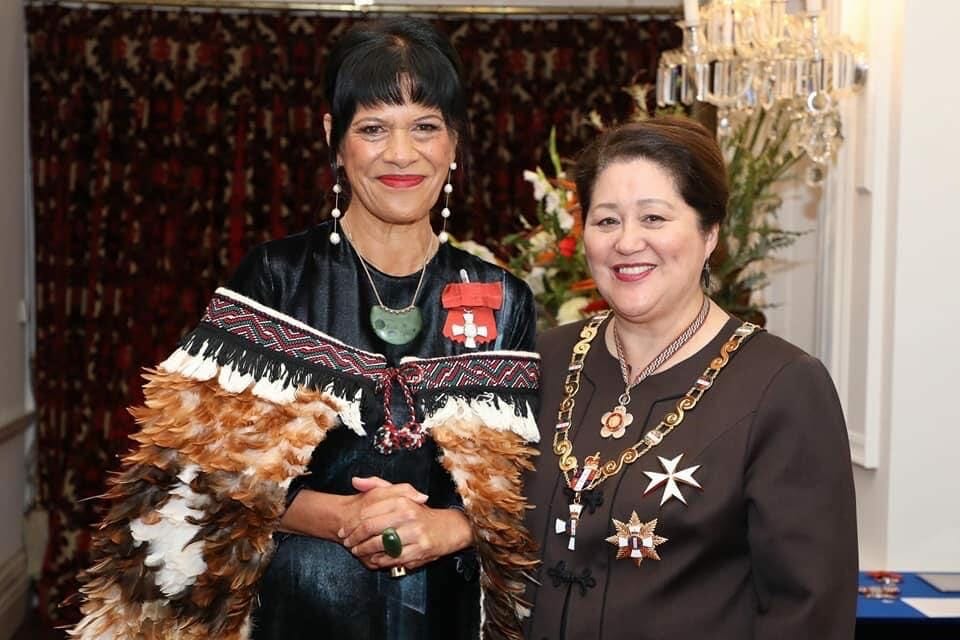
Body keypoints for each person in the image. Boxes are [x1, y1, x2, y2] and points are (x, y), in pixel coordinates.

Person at [69, 17, 540, 640]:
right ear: (334, 138)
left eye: (425, 126)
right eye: (373, 128)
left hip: (451, 617)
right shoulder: (276, 279)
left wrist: (451, 528)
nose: (402, 154)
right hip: (296, 615)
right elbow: (198, 478)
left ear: (454, 141)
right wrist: (348, 515)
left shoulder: (506, 298)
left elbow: (537, 486)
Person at [523, 117, 858, 639]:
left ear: (709, 234)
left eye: (654, 218)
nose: (628, 242)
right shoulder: (546, 358)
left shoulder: (783, 386)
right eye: (606, 220)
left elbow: (808, 614)